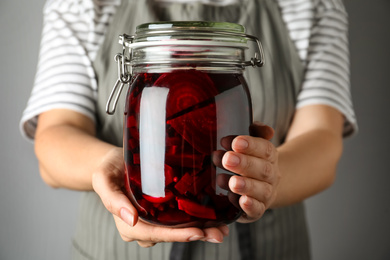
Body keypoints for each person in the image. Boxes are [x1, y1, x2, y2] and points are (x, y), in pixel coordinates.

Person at [20, 0, 357, 259]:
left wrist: (266, 178)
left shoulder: (310, 5)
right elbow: (55, 137)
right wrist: (112, 167)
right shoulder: (85, 5)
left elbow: (322, 141)